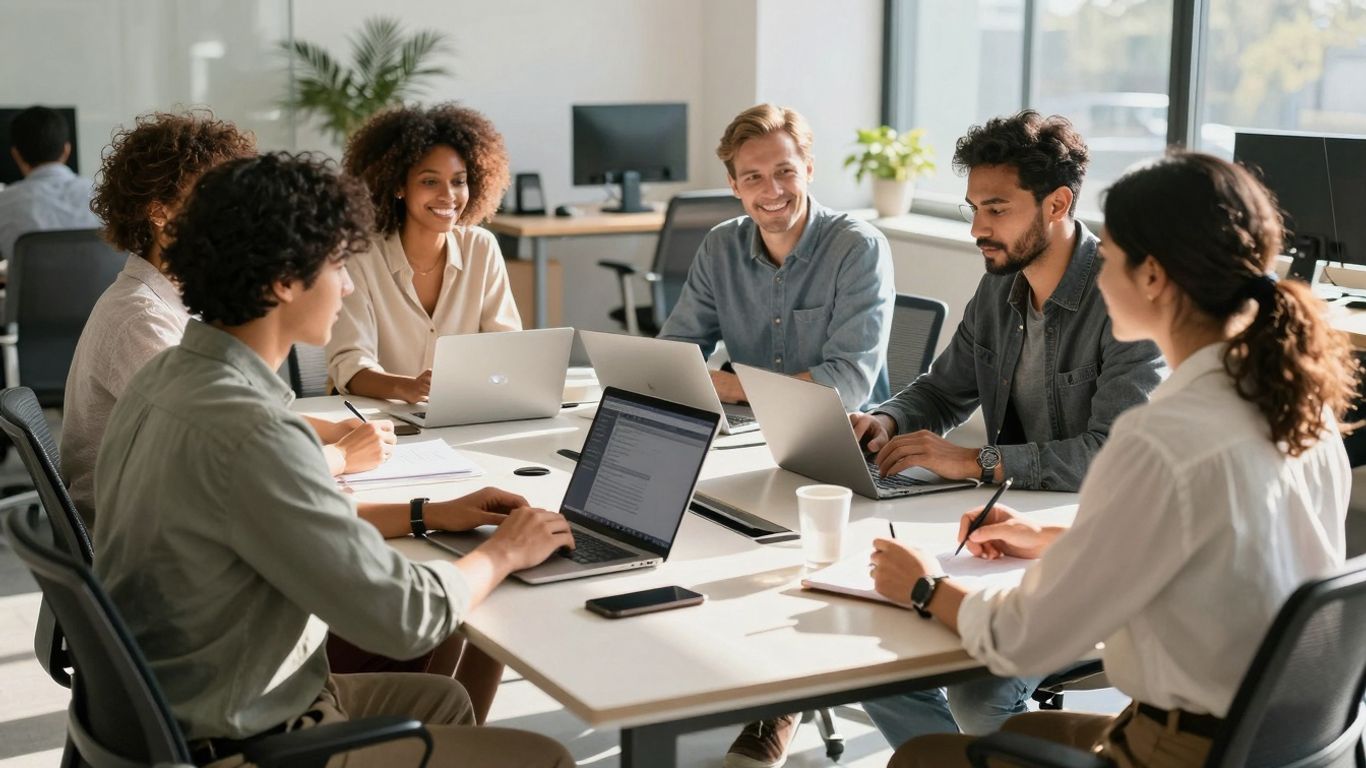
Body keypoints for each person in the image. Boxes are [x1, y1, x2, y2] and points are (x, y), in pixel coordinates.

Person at [93, 151, 576, 768]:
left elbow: (274, 519)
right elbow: (407, 619)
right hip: (244, 738)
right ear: (283, 282)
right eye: (338, 266)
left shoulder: (164, 377)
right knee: (547, 758)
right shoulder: (256, 431)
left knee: (447, 702)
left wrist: (430, 513)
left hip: (171, 706)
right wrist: (507, 550)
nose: (347, 285)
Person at [874, 151, 1356, 767]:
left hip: (1179, 753)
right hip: (1277, 743)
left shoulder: (1161, 440)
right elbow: (1217, 544)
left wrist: (922, 585)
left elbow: (1019, 639)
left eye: (1112, 259)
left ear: (1151, 276)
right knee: (987, 738)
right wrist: (1051, 536)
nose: (1098, 274)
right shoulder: (1301, 411)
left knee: (921, 758)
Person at [62, 111, 392, 527]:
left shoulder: (181, 296)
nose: (232, 214)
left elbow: (237, 421)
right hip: (138, 527)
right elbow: (219, 448)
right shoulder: (141, 317)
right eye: (212, 197)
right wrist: (340, 456)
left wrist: (329, 432)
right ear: (159, 212)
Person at [658, 103, 894, 412]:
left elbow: (848, 385)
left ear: (808, 169)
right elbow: (674, 355)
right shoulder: (721, 246)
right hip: (753, 425)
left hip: (842, 432)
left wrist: (736, 387)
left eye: (785, 172)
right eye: (753, 177)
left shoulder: (858, 247)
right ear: (734, 186)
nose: (773, 191)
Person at [328, 103, 521, 404]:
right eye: (430, 181)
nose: (448, 196)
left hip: (463, 414)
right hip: (377, 421)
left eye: (458, 181)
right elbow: (350, 366)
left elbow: (508, 350)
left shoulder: (481, 248)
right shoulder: (360, 257)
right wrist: (408, 388)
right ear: (398, 186)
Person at [0, 105, 100, 261]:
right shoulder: (101, 194)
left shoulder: (4, 203)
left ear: (16, 154)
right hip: (101, 285)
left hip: (31, 286)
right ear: (66, 150)